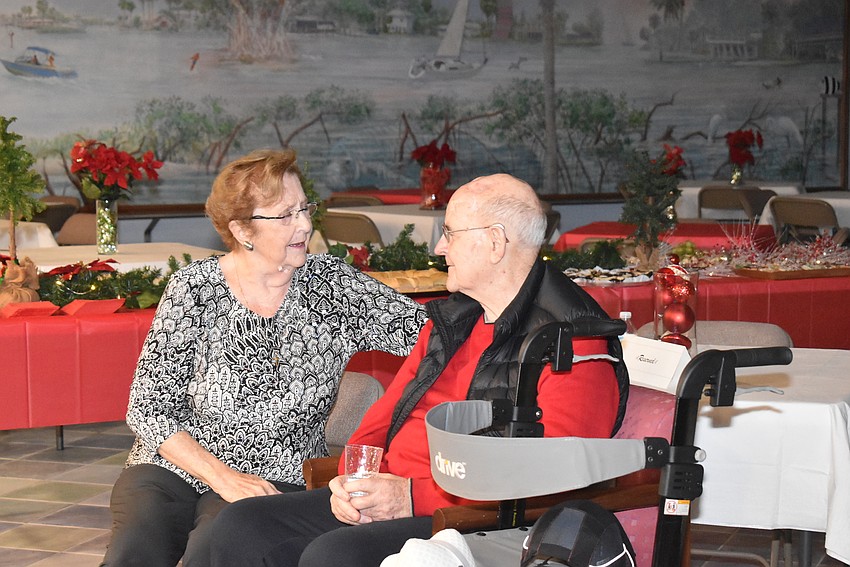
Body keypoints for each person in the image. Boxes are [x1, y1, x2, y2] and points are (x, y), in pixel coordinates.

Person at [210, 173, 629, 566]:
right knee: (240, 526)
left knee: (333, 555)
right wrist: (352, 478)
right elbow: (383, 417)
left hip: (470, 518)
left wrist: (414, 496)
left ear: (495, 243)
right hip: (390, 496)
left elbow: (553, 475)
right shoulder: (453, 320)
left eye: (449, 233)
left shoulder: (570, 341)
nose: (440, 248)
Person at [100, 149, 428, 567]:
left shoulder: (332, 287)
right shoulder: (195, 289)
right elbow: (148, 407)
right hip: (175, 464)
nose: (305, 225)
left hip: (277, 475)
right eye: (285, 215)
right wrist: (224, 478)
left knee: (217, 547)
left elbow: (428, 336)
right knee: (136, 545)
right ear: (242, 230)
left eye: (304, 208)